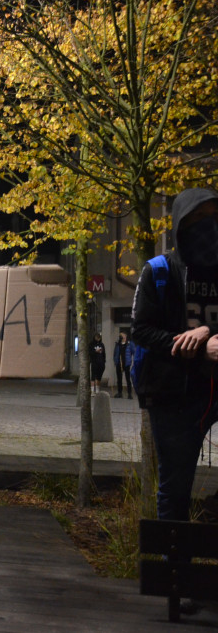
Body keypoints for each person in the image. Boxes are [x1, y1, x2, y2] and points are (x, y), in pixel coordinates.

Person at [132, 187, 218, 522]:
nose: (208, 224)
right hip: (174, 395)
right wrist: (196, 346)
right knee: (175, 488)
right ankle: (174, 569)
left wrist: (207, 332)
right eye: (199, 216)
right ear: (180, 222)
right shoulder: (159, 271)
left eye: (214, 216)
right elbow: (141, 330)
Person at [113, 332, 133, 399]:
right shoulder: (118, 344)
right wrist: (115, 361)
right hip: (119, 363)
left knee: (128, 379)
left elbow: (134, 352)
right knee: (119, 379)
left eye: (123, 336)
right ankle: (119, 392)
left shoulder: (129, 344)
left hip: (126, 363)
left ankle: (129, 393)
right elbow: (115, 353)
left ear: (125, 336)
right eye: (121, 336)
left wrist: (131, 361)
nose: (122, 337)